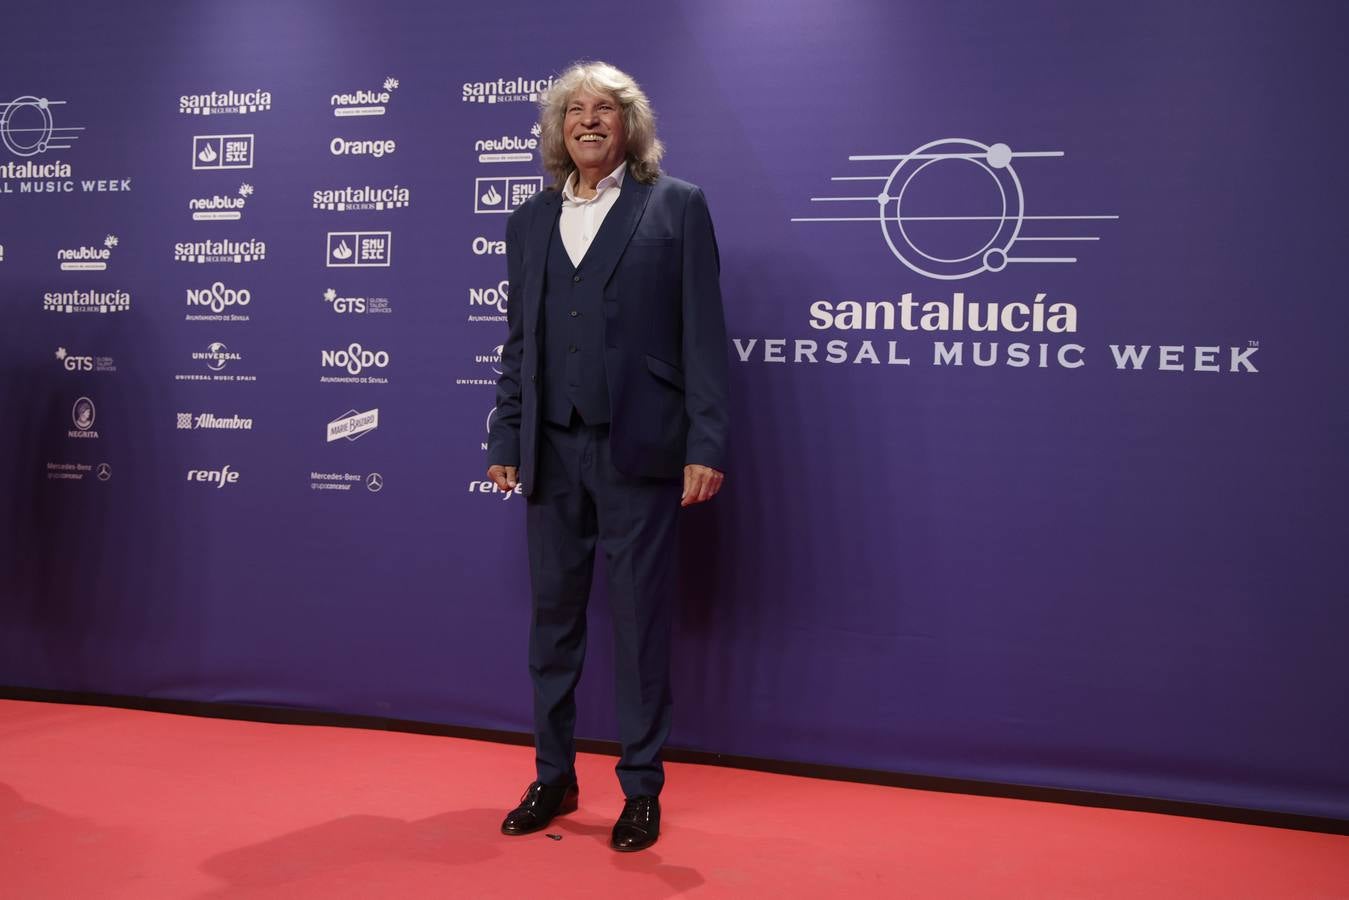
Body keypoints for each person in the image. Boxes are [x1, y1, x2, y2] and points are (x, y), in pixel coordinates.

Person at [485, 60, 729, 852]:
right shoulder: (527, 221)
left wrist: (705, 441)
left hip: (641, 451)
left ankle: (641, 789)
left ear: (630, 128)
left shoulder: (676, 208)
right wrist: (504, 435)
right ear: (558, 130)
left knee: (638, 625)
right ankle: (552, 776)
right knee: (552, 626)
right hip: (550, 453)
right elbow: (519, 344)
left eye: (605, 111)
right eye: (574, 111)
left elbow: (702, 338)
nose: (588, 121)